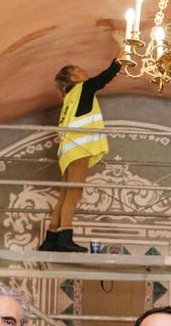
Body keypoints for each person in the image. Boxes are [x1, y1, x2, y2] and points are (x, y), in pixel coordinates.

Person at [38, 58, 121, 252]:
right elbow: (107, 76)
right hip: (79, 149)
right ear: (74, 77)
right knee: (73, 194)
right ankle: (65, 236)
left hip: (68, 151)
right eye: (81, 70)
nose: (85, 72)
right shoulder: (82, 89)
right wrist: (121, 51)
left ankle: (51, 238)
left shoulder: (69, 99)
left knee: (65, 195)